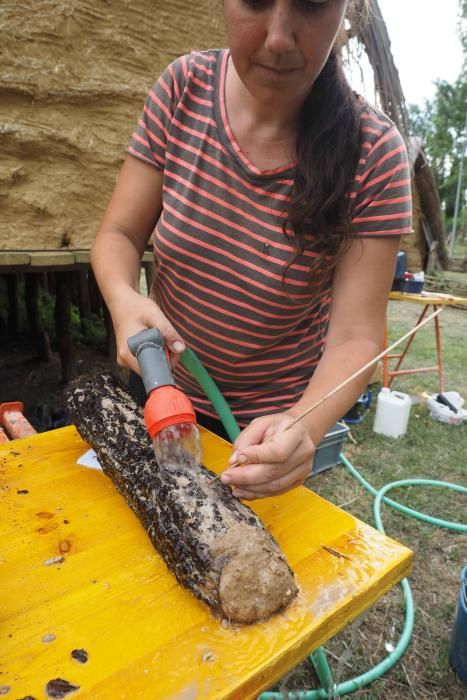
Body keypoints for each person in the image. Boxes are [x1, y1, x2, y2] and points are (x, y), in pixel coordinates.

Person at [91, 0, 412, 501]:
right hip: (160, 392)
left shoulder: (373, 153)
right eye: (256, 1)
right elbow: (120, 234)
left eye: (311, 5)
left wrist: (300, 425)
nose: (279, 37)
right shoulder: (183, 89)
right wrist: (122, 298)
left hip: (270, 431)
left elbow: (356, 336)